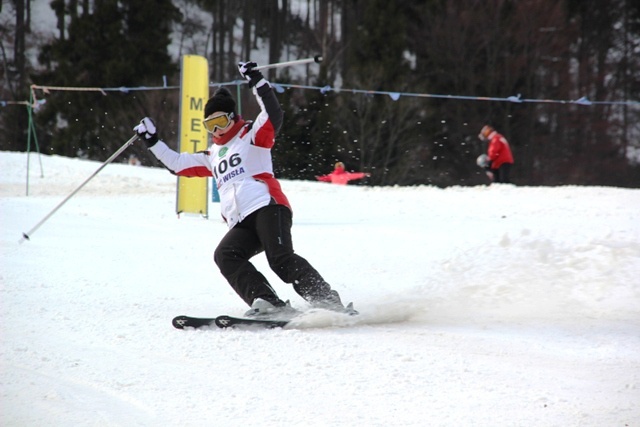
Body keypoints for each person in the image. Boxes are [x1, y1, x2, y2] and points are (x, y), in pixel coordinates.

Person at [134, 61, 355, 317]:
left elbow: (273, 114)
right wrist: (152, 141)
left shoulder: (251, 135)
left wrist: (256, 81)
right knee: (225, 255)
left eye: (220, 121)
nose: (216, 130)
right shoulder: (212, 154)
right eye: (209, 125)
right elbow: (177, 164)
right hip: (241, 220)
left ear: (232, 117)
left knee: (280, 260)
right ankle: (268, 302)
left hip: (267, 207)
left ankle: (327, 301)